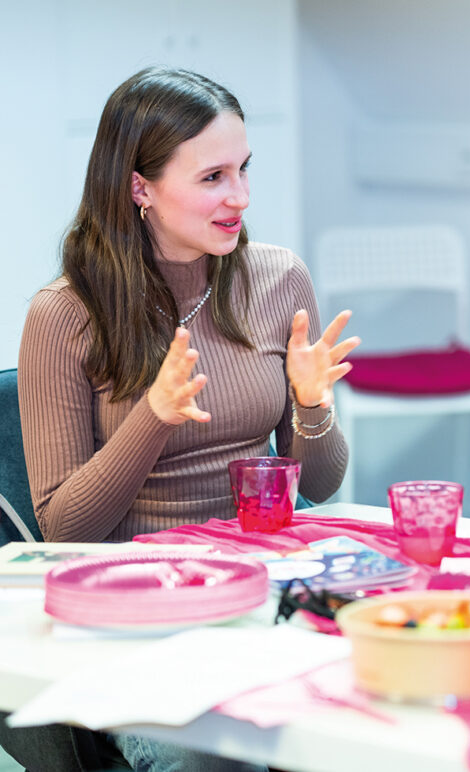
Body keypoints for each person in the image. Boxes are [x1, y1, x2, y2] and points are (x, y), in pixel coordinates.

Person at [6, 67, 360, 771]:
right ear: (140, 187)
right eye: (213, 178)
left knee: (378, 715)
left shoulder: (278, 278)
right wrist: (154, 416)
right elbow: (64, 527)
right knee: (216, 756)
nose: (241, 197)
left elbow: (321, 483)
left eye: (244, 170)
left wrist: (312, 405)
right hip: (145, 613)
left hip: (265, 587)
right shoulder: (64, 314)